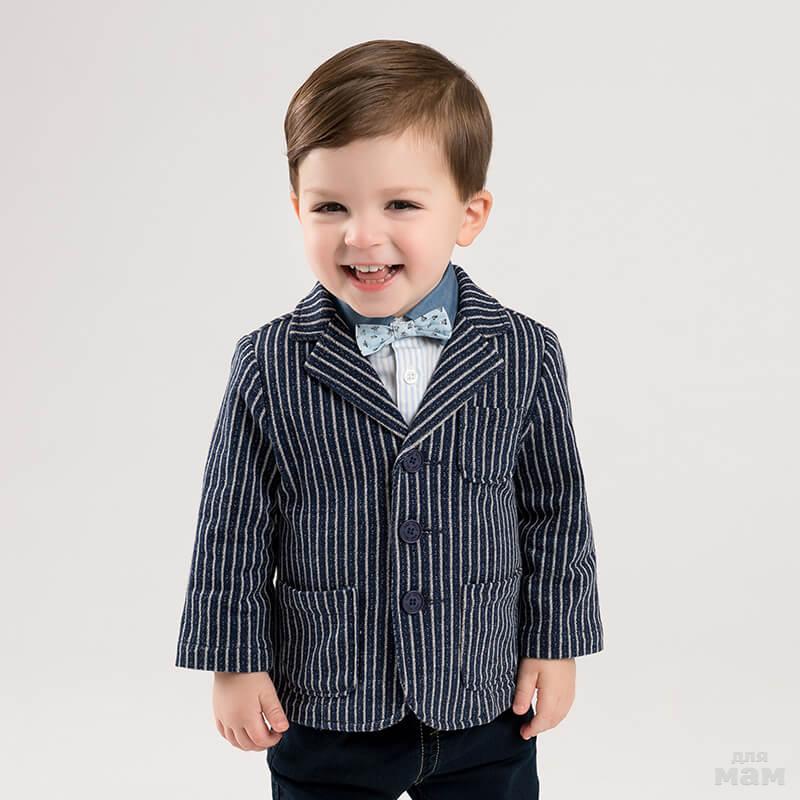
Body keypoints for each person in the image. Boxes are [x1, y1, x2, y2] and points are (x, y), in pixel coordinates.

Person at [175, 38, 604, 799]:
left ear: (469, 213)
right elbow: (232, 525)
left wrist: (556, 643)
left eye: (401, 204)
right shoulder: (269, 362)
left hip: (483, 692)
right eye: (330, 206)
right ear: (297, 209)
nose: (362, 235)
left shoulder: (523, 352)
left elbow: (554, 510)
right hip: (327, 696)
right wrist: (235, 662)